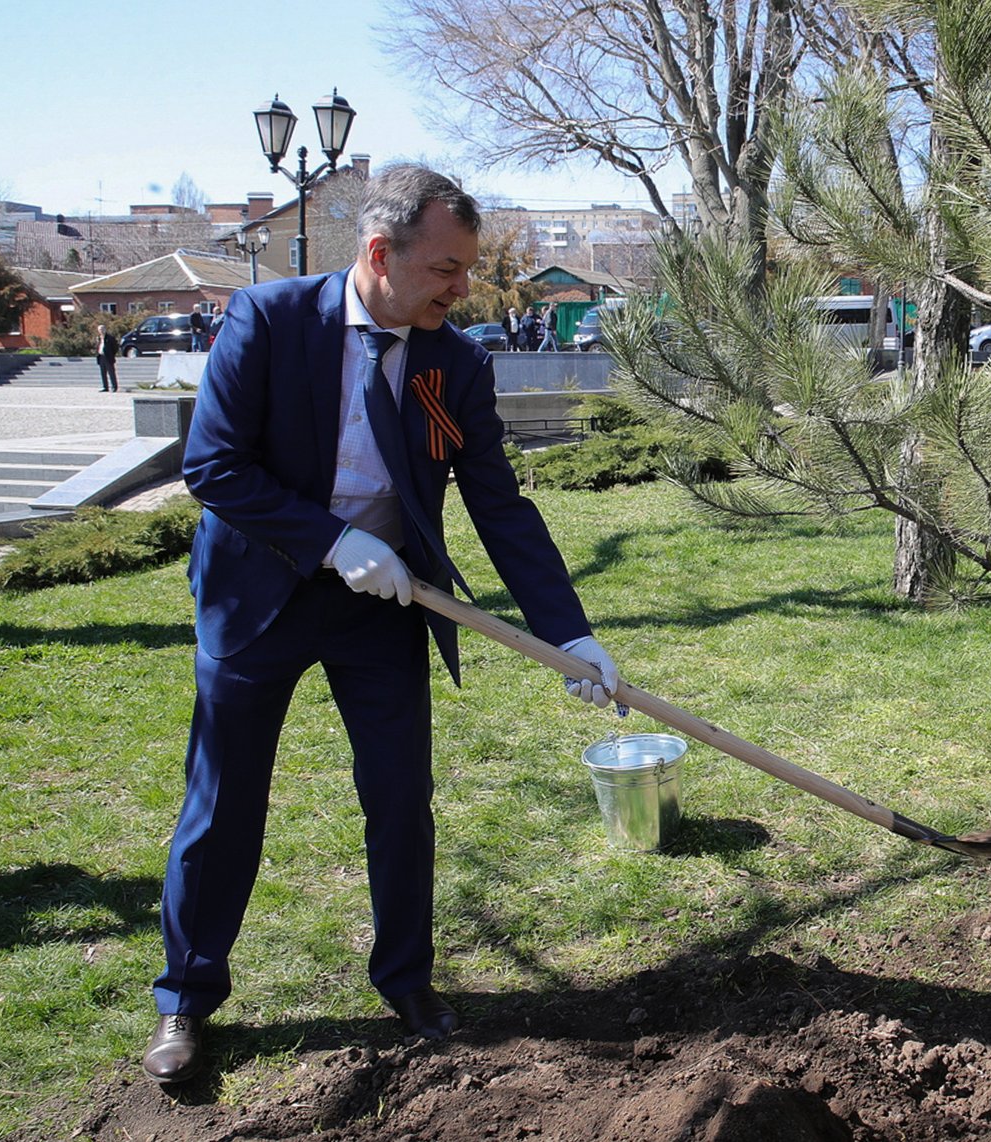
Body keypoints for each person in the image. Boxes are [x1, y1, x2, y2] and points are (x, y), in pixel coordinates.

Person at [143, 164, 622, 1085]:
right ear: (379, 253)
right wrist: (328, 541)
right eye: (445, 268)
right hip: (261, 594)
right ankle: (185, 1001)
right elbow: (214, 468)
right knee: (223, 801)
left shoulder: (457, 360)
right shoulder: (271, 322)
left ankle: (405, 979)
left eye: (466, 268)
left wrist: (569, 631)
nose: (462, 287)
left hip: (386, 606)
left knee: (401, 800)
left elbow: (499, 502)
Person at [93, 323, 119, 392]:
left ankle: (114, 387)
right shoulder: (98, 338)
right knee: (103, 373)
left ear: (105, 329)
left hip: (108, 357)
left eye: (102, 329)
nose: (101, 331)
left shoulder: (110, 338)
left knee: (111, 372)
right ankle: (105, 387)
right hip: (101, 357)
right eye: (100, 330)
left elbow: (115, 347)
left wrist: (111, 354)